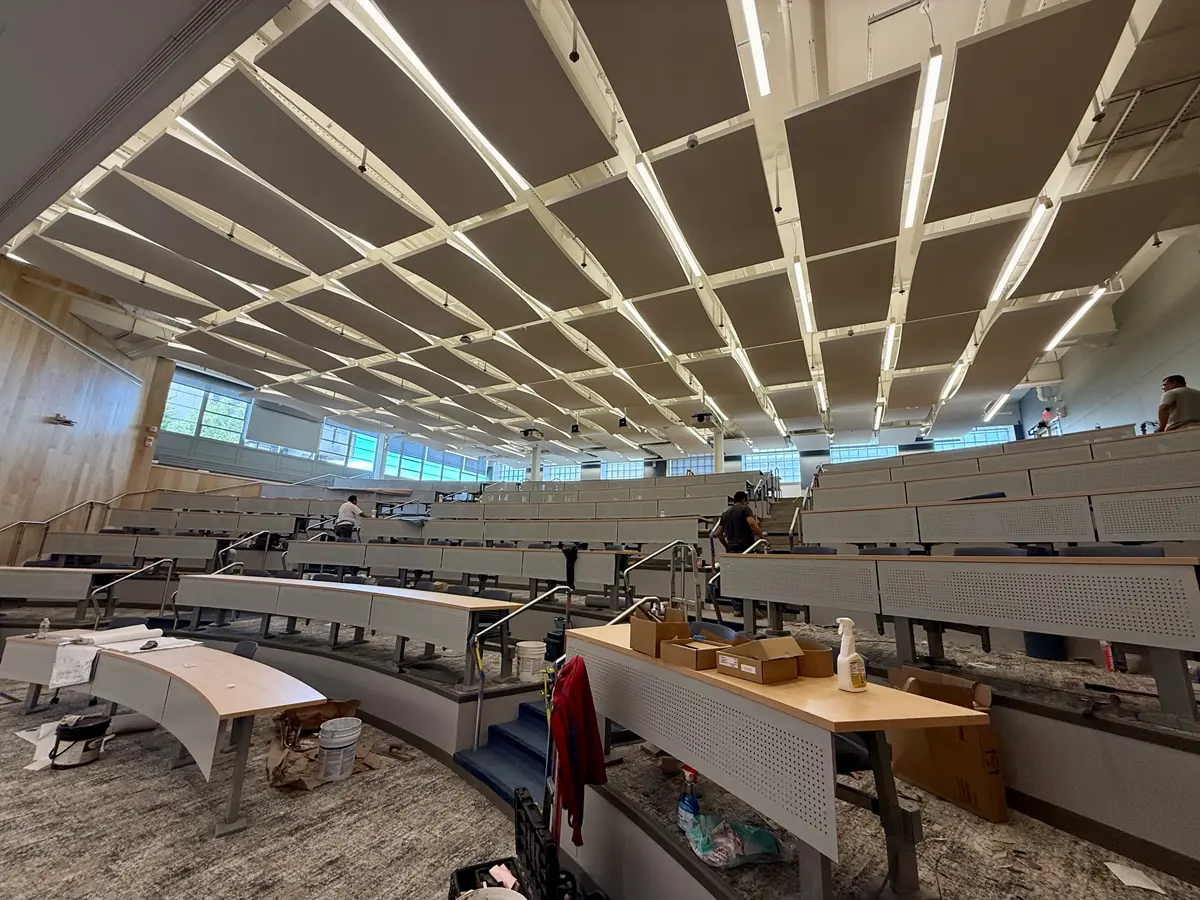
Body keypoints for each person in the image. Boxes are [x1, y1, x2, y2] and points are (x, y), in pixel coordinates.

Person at [712, 490, 767, 554]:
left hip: (732, 548)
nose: (747, 504)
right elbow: (752, 524)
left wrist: (727, 546)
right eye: (747, 502)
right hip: (746, 547)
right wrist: (762, 538)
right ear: (743, 501)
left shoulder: (725, 514)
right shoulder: (745, 509)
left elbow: (718, 533)